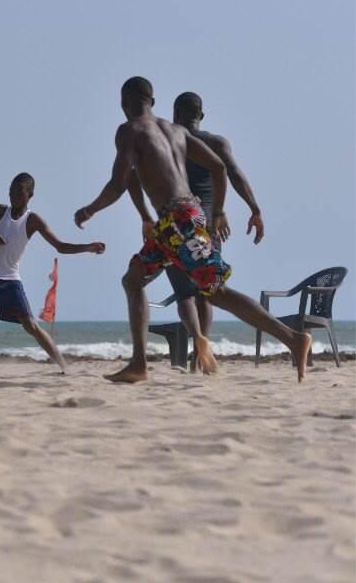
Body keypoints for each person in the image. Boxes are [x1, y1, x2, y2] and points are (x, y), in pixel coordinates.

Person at [74, 76, 311, 383]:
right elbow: (220, 167)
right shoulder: (175, 131)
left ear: (123, 102)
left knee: (215, 292)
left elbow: (119, 184)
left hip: (179, 221)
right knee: (133, 279)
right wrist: (218, 210)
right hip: (178, 221)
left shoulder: (129, 131)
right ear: (154, 103)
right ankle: (139, 364)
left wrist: (90, 209)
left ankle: (292, 338)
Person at [128, 92, 265, 369]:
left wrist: (144, 215)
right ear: (201, 116)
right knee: (208, 290)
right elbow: (232, 173)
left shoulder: (170, 139)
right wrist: (253, 209)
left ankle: (198, 339)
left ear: (175, 113)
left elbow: (136, 174)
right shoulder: (215, 142)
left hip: (175, 225)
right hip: (209, 226)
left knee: (184, 293)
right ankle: (201, 354)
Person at [0, 173, 105, 373]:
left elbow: (60, 246)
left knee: (31, 326)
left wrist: (88, 247)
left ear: (30, 194)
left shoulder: (32, 220)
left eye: (18, 191)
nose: (13, 195)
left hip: (9, 283)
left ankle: (63, 367)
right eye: (10, 191)